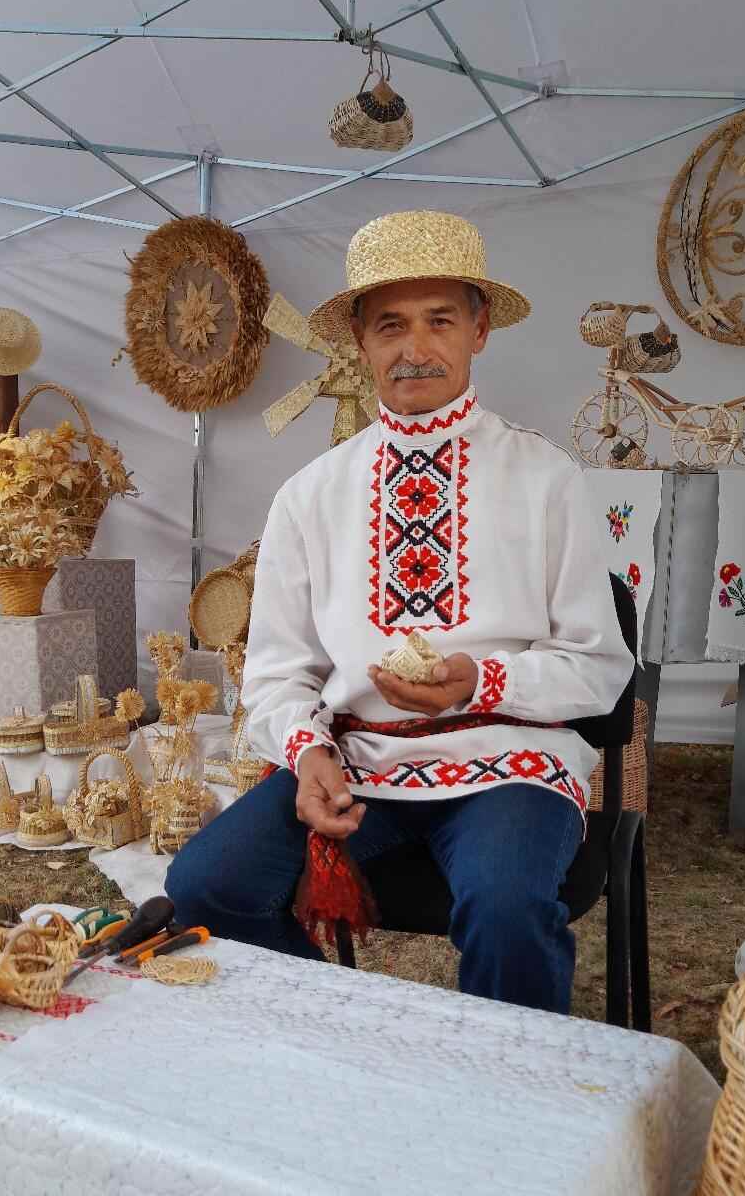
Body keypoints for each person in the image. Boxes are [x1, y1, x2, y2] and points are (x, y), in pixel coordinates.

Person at [167, 210, 633, 1011]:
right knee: (205, 886)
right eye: (390, 325)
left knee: (506, 905)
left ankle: (512, 1107)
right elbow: (278, 671)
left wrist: (476, 682)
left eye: (439, 320)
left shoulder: (547, 479)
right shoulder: (310, 495)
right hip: (360, 764)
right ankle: (349, 1045)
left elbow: (597, 666)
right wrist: (307, 752)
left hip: (509, 755)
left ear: (479, 330)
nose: (414, 348)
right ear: (359, 338)